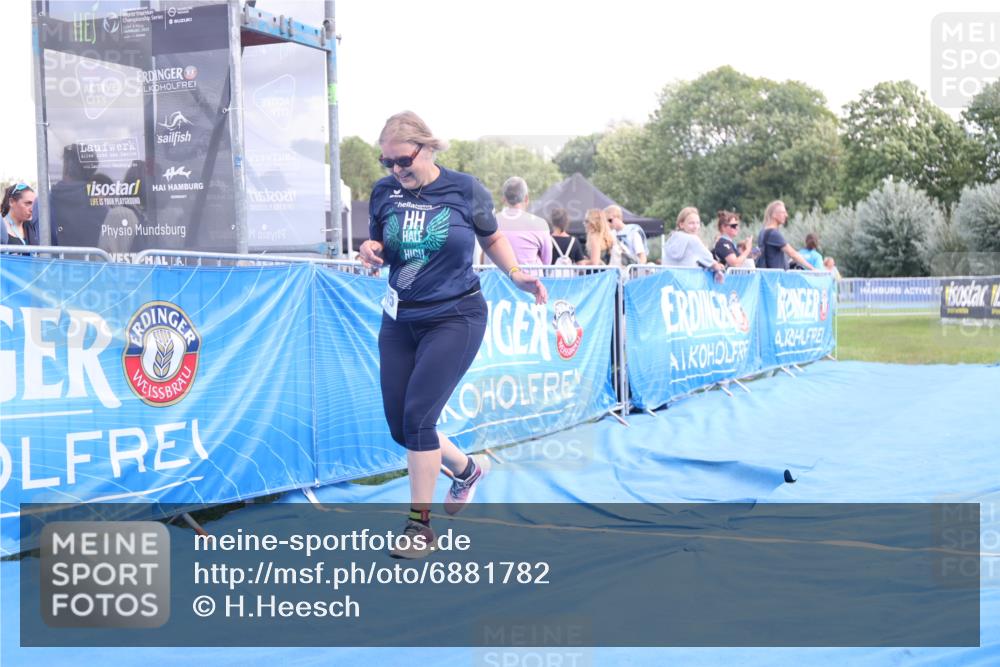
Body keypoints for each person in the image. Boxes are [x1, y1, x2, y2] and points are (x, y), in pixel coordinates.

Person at [359, 111, 547, 559]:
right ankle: (465, 472)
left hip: (455, 316)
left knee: (420, 419)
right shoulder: (384, 192)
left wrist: (518, 274)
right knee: (400, 425)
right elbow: (384, 247)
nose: (395, 171)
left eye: (402, 160)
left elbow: (493, 238)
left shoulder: (466, 190)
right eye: (386, 163)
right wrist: (371, 250)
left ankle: (419, 527)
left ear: (426, 148)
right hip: (400, 318)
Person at [492, 176, 552, 266]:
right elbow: (547, 261)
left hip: (496, 278)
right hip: (530, 278)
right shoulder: (540, 224)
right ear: (526, 198)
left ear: (504, 199)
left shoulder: (491, 222)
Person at [662, 206, 725, 282]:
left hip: (668, 281)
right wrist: (718, 267)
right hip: (688, 283)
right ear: (681, 224)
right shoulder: (693, 239)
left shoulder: (671, 239)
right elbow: (709, 260)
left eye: (698, 223)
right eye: (691, 223)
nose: (696, 227)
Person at [757, 200, 815, 270]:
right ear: (774, 215)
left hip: (766, 276)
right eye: (783, 212)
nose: (786, 215)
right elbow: (793, 254)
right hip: (775, 278)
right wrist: (812, 268)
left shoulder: (762, 232)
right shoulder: (773, 233)